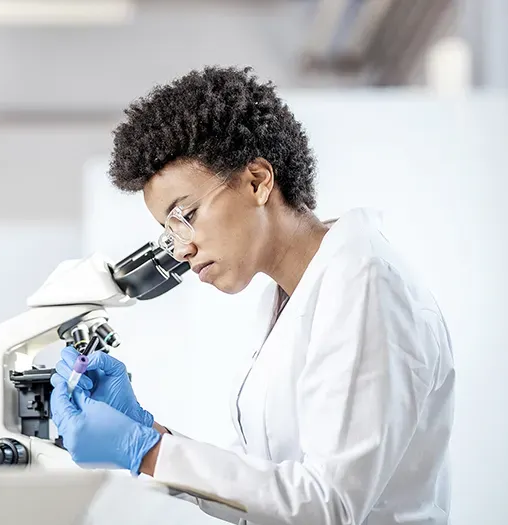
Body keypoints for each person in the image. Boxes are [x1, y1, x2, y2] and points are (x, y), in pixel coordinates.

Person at [49, 66, 455, 525]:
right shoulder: (288, 298)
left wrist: (150, 453)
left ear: (258, 180)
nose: (181, 248)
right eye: (168, 231)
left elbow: (329, 504)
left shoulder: (365, 284)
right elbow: (266, 481)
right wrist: (150, 433)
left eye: (185, 216)